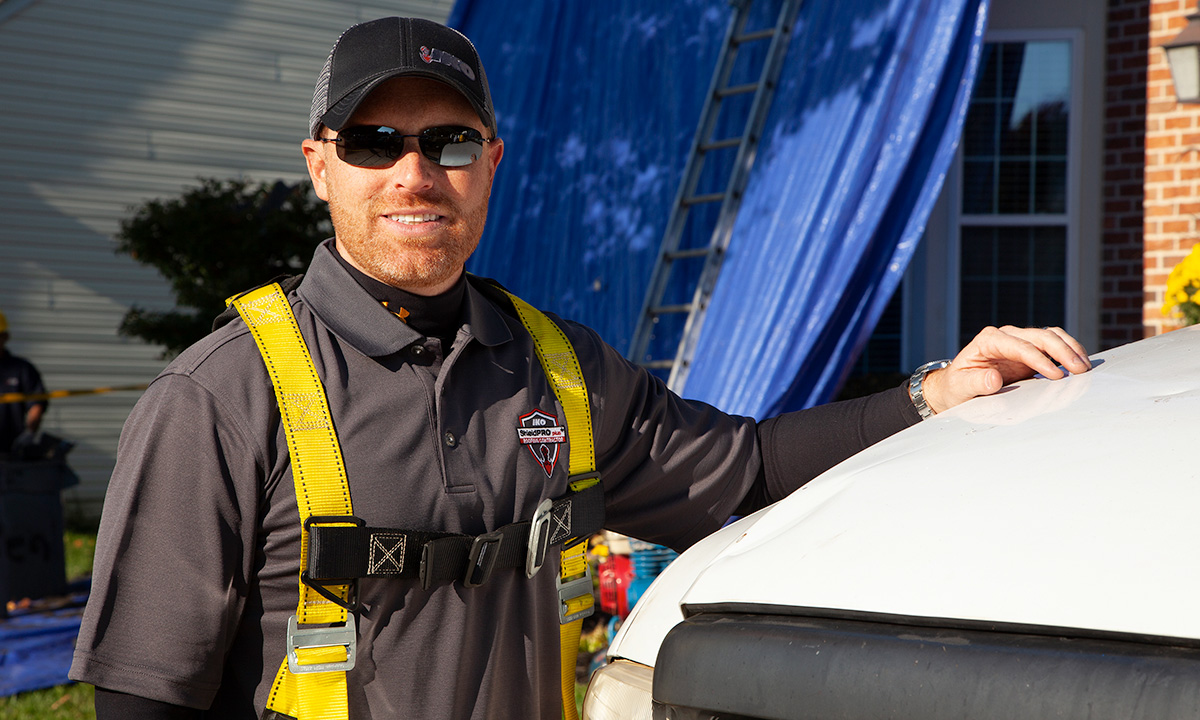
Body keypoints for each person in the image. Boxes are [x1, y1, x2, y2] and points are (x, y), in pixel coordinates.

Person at [69, 16, 1093, 720]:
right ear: (321, 164)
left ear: (494, 161)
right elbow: (143, 695)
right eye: (377, 141)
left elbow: (747, 470)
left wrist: (932, 394)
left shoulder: (556, 368)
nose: (417, 174)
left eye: (450, 141)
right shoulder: (223, 398)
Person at [0, 309, 48, 457]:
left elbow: (36, 403)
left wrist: (29, 433)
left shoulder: (21, 369)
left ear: (5, 337)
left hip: (11, 451)